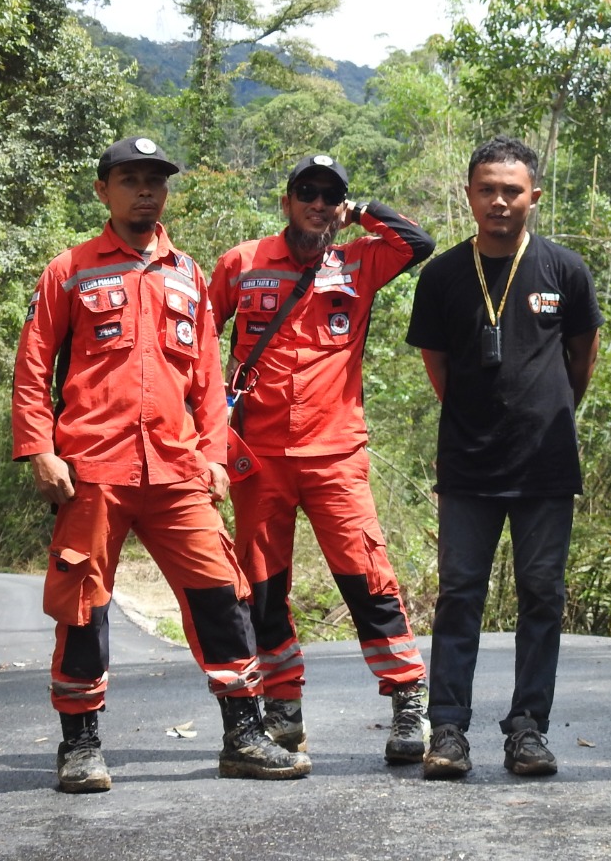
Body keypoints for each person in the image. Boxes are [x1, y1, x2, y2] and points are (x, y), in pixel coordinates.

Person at [11, 136, 307, 791]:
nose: (145, 190)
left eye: (155, 180)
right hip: (93, 467)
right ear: (103, 191)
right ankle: (80, 746)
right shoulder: (71, 271)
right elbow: (33, 367)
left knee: (223, 596)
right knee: (83, 603)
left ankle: (245, 736)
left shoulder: (189, 275)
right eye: (130, 179)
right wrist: (39, 449)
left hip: (178, 471)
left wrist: (215, 457)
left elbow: (208, 377)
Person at [211, 152, 435, 768]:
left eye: (328, 195)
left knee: (368, 580)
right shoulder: (244, 262)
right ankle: (283, 708)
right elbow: (200, 339)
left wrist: (358, 211)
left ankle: (407, 699)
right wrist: (209, 432)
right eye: (305, 192)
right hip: (257, 457)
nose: (316, 202)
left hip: (336, 454)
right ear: (286, 202)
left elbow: (419, 241)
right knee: (263, 587)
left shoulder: (361, 262)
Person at [405, 136, 602, 780]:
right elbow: (439, 366)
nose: (498, 200)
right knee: (459, 595)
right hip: (467, 465)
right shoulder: (441, 275)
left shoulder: (564, 269)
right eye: (486, 188)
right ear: (469, 194)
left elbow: (582, 361)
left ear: (533, 198)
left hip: (544, 466)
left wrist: (544, 414)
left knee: (541, 594)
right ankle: (449, 730)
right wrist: (478, 415)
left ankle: (527, 730)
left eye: (511, 190)